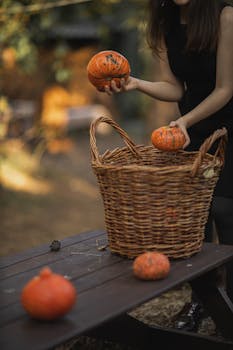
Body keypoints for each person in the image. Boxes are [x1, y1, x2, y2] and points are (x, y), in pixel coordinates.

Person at [104, 0, 233, 331]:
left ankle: (230, 306)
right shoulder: (167, 20)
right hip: (190, 132)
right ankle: (203, 301)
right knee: (194, 221)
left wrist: (184, 120)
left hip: (226, 126)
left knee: (224, 212)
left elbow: (225, 89)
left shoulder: (226, 15)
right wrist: (136, 83)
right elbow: (175, 87)